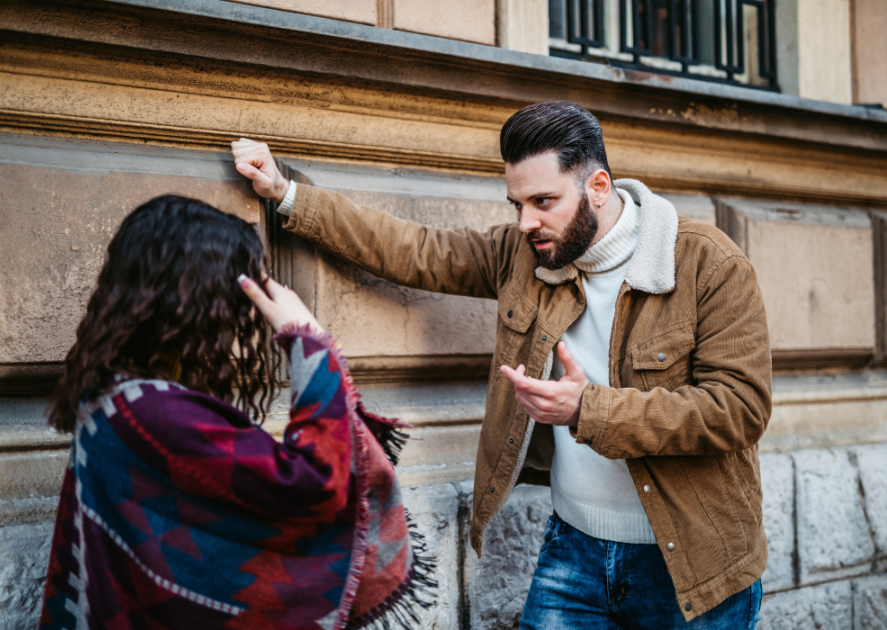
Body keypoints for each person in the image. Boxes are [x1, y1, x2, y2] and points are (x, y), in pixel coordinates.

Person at [232, 100, 772, 628]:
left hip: (694, 566)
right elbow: (413, 248)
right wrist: (285, 193)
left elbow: (740, 409)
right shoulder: (524, 256)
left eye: (543, 201)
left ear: (599, 188)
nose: (525, 223)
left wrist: (590, 409)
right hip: (575, 550)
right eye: (517, 204)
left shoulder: (708, 263)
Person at [40, 195, 434, 630]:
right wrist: (310, 342)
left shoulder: (110, 399)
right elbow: (314, 482)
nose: (236, 317)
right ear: (196, 299)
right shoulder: (153, 413)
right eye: (230, 295)